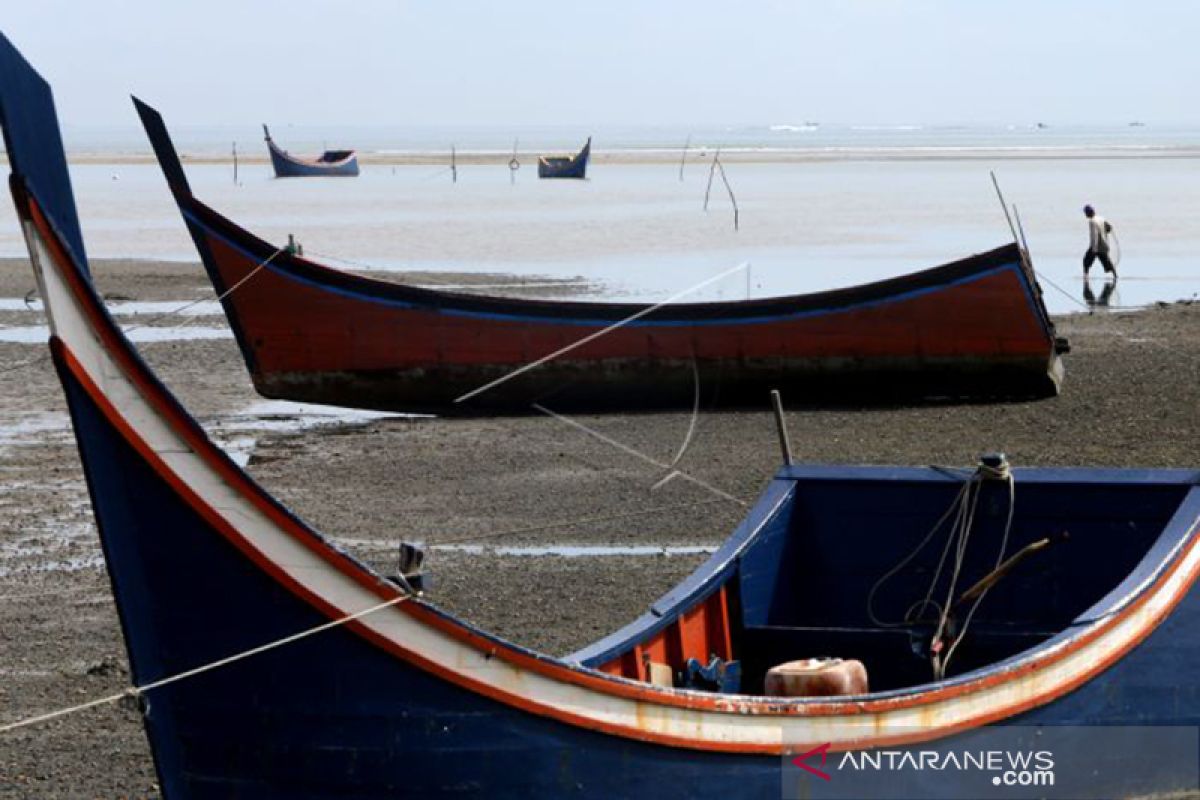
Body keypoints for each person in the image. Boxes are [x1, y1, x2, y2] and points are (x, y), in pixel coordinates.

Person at [1082, 205, 1117, 279]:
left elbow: (1094, 235)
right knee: (1107, 262)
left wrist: (1094, 249)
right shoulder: (1101, 218)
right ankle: (1115, 275)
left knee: (1086, 261)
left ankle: (1086, 277)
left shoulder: (1092, 221)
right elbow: (1109, 228)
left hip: (1097, 246)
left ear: (1088, 213)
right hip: (1105, 244)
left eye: (1086, 213)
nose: (1085, 214)